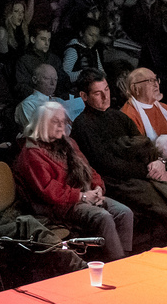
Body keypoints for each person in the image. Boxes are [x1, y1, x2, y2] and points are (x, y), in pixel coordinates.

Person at [71, 72, 167, 242]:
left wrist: (158, 163)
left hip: (143, 173)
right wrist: (147, 171)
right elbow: (105, 163)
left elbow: (145, 145)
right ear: (84, 96)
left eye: (107, 89)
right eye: (98, 93)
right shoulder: (82, 125)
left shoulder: (118, 116)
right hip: (117, 181)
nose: (106, 97)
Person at [14, 102, 134, 261]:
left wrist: (97, 187)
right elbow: (50, 192)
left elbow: (89, 170)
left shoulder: (68, 142)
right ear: (42, 123)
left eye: (63, 121)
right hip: (59, 206)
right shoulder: (32, 153)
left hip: (84, 194)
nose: (61, 126)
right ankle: (117, 263)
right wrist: (82, 197)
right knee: (103, 217)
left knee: (125, 212)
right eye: (55, 122)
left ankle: (126, 258)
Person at [16, 62, 84, 130]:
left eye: (55, 79)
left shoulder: (59, 101)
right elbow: (37, 132)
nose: (52, 83)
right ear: (35, 80)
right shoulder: (28, 104)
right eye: (47, 78)